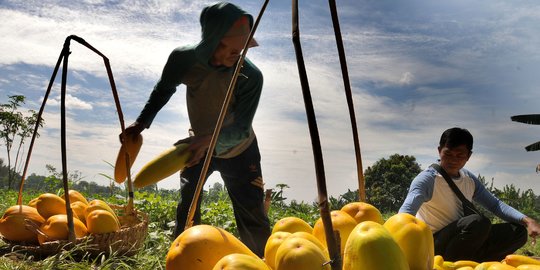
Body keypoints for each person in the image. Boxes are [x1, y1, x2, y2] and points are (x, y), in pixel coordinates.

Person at [122, 2, 270, 257]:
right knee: (188, 207)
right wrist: (142, 121)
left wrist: (207, 141)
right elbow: (164, 88)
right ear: (213, 41)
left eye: (242, 49)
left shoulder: (250, 76)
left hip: (240, 151)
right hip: (195, 147)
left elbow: (242, 129)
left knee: (252, 214)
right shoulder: (183, 60)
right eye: (231, 48)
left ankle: (262, 261)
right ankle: (185, 258)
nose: (238, 55)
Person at [399, 127, 540, 262]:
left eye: (460, 155)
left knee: (518, 232)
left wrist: (528, 221)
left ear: (469, 156)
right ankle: (450, 264)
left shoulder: (468, 179)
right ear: (439, 150)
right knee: (479, 222)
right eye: (448, 154)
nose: (453, 160)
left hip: (463, 241)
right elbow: (405, 214)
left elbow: (495, 205)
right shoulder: (427, 179)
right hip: (434, 246)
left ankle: (474, 262)